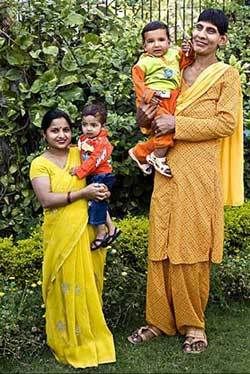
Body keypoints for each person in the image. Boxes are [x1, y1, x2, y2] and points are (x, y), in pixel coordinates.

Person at [128, 9, 244, 353]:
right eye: (199, 27)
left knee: (191, 246)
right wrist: (144, 117)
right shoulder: (174, 68)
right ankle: (158, 321)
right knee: (160, 242)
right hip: (166, 167)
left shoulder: (227, 75)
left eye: (211, 31)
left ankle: (194, 325)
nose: (202, 34)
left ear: (221, 40)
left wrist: (178, 125)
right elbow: (150, 123)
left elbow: (226, 124)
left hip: (199, 170)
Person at [29, 108, 116, 368]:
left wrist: (104, 205)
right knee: (64, 285)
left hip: (87, 231)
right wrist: (83, 193)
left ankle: (89, 337)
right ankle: (67, 341)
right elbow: (46, 200)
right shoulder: (39, 164)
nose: (62, 135)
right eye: (55, 130)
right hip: (61, 235)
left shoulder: (82, 154)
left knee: (88, 285)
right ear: (45, 134)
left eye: (66, 129)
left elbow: (98, 188)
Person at [128, 21, 193, 177]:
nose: (156, 44)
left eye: (161, 40)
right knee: (165, 127)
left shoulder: (174, 54)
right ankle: (158, 157)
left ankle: (140, 153)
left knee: (170, 129)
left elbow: (187, 62)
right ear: (144, 46)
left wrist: (188, 52)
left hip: (173, 97)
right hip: (154, 99)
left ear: (169, 42)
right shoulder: (143, 63)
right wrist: (148, 96)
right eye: (150, 41)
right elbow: (138, 84)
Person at [70, 102, 121, 250]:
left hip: (102, 175)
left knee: (97, 203)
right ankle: (112, 228)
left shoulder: (103, 142)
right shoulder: (83, 139)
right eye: (85, 124)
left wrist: (80, 171)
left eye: (93, 125)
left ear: (102, 126)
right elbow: (80, 151)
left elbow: (94, 161)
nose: (89, 128)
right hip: (93, 175)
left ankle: (101, 233)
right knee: (98, 200)